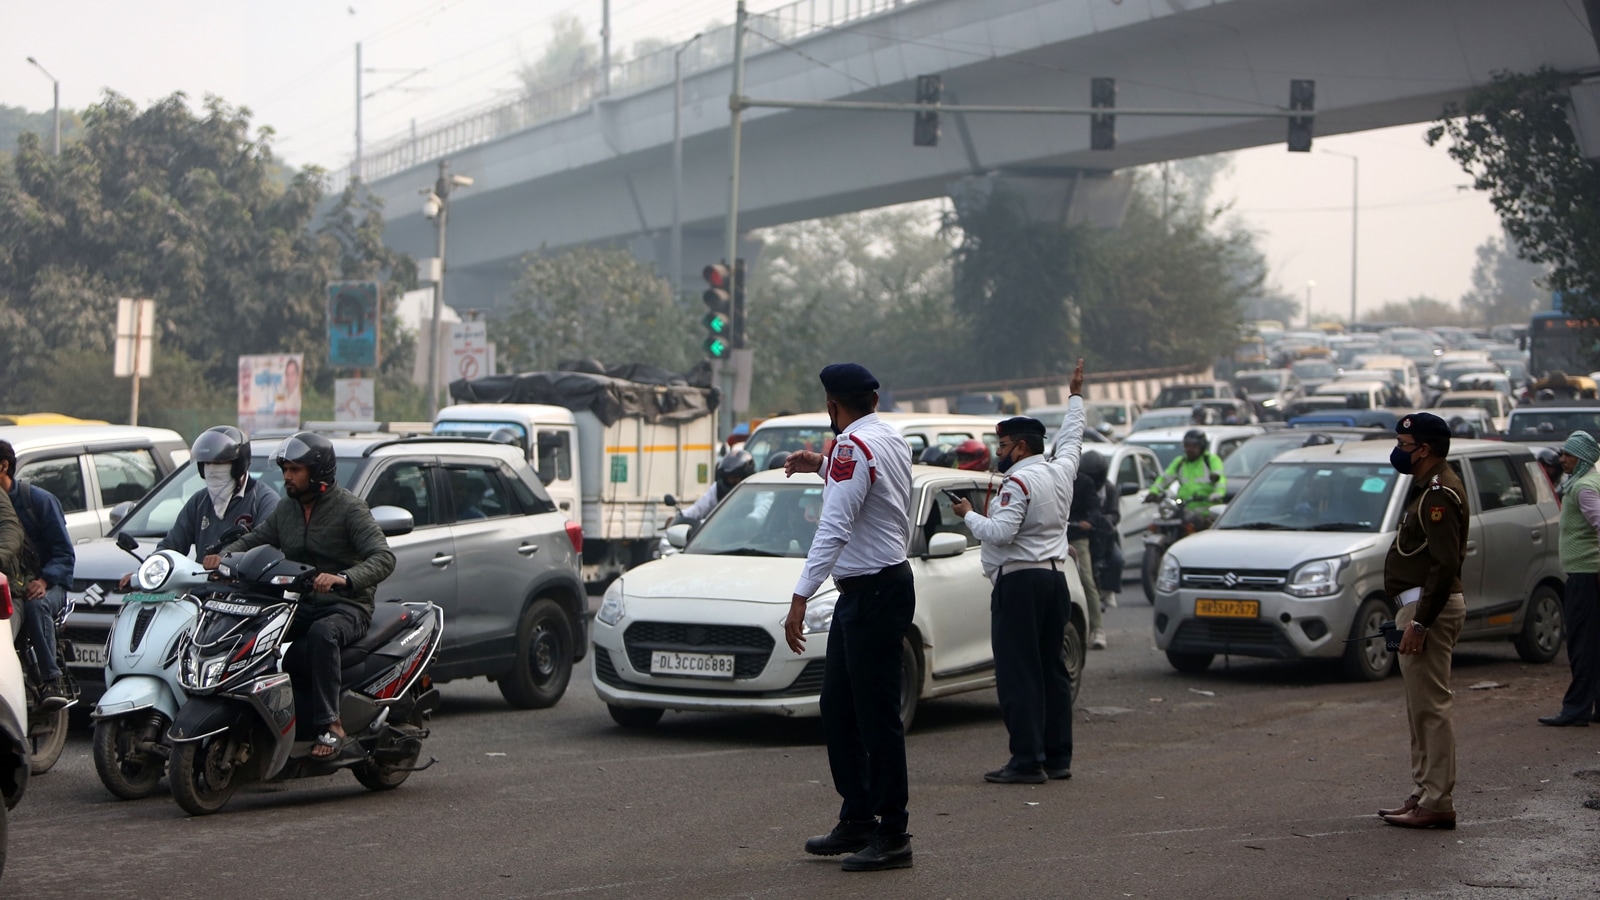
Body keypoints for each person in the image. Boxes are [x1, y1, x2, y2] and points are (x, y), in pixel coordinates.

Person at [783, 363, 916, 873]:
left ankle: (893, 832)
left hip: (874, 592)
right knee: (837, 704)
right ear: (875, 401)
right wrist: (820, 463)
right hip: (869, 590)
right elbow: (867, 486)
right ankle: (858, 817)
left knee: (876, 715)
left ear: (833, 408)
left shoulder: (850, 448)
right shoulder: (885, 438)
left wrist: (799, 598)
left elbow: (834, 527)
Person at [218, 432, 396, 760]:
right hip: (302, 603)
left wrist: (344, 578)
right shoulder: (287, 509)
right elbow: (256, 538)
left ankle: (332, 724)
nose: (286, 476)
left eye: (295, 470)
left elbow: (384, 558)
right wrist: (225, 557)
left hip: (347, 606)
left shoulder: (349, 509)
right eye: (285, 468)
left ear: (318, 472)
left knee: (321, 635)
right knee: (255, 631)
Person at [951, 359, 1086, 786]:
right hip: (1054, 579)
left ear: (1021, 448)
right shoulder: (1061, 472)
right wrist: (1076, 397)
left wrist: (969, 515)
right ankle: (1057, 756)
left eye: (1004, 444)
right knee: (1052, 670)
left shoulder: (1018, 484)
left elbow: (1000, 533)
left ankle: (1027, 760)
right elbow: (1074, 437)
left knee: (1017, 673)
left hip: (1021, 583)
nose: (999, 451)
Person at [1378, 412, 1468, 830]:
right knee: (1419, 709)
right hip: (1413, 608)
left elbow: (1445, 562)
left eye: (1404, 444)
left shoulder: (1438, 492)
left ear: (1424, 450)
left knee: (1432, 709)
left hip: (1426, 610)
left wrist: (1421, 623)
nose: (1399, 451)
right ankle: (1423, 791)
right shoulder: (1425, 489)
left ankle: (1437, 799)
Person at [119, 427, 279, 590]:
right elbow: (172, 544)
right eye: (207, 464)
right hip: (200, 594)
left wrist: (226, 560)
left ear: (238, 465)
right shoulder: (199, 501)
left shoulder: (264, 500)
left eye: (219, 463)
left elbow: (262, 546)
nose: (212, 469)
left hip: (244, 594)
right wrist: (145, 571)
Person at [0, 441, 75, 709]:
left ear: (3, 466)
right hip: (13, 585)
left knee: (35, 603)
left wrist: (43, 580)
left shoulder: (39, 501)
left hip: (48, 585)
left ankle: (51, 681)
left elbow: (65, 555)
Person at [1539, 431, 1600, 726]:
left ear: (1583, 458)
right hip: (1586, 573)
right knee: (1593, 643)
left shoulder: (1583, 488)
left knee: (1581, 644)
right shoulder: (1584, 483)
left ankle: (1576, 709)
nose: (1562, 460)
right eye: (1563, 455)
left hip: (1586, 575)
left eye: (1569, 455)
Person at [1068, 449, 1110, 649]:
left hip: (1076, 536)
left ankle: (1097, 629)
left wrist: (1088, 521)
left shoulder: (1084, 482)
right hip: (1051, 537)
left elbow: (1095, 507)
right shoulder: (1047, 478)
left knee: (1086, 579)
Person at [1146, 429, 1226, 504]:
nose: (1190, 449)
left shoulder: (1211, 460)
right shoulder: (1180, 462)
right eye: (1187, 446)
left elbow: (1219, 478)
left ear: (1202, 446)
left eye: (1194, 446)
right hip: (1184, 506)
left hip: (1207, 507)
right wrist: (1154, 492)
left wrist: (1218, 493)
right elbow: (1165, 478)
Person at [679, 449, 757, 521]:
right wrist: (682, 516)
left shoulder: (758, 490)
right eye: (728, 477)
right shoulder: (718, 488)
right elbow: (699, 508)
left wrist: (750, 521)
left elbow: (760, 513)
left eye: (735, 477)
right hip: (720, 532)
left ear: (746, 476)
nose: (731, 480)